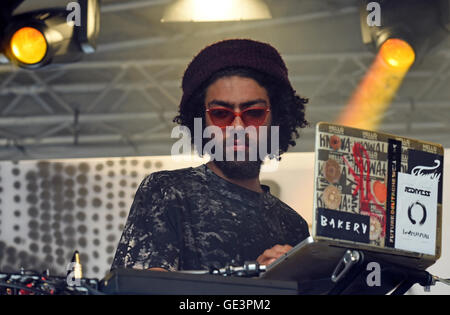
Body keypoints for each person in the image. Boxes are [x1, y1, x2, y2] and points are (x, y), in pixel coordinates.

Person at [111, 39, 310, 272]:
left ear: (276, 119)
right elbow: (141, 290)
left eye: (254, 113)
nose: (237, 126)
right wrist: (252, 284)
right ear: (201, 121)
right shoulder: (168, 192)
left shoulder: (294, 226)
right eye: (220, 114)